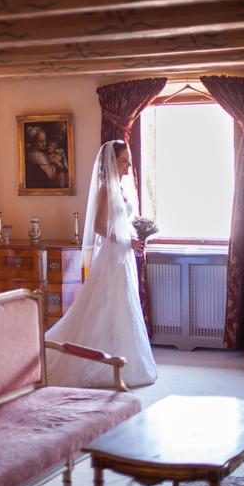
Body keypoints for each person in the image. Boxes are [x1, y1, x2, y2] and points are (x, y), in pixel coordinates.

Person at [45, 140, 157, 388]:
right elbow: (98, 226)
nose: (128, 166)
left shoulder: (121, 189)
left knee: (123, 304)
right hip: (111, 256)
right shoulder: (106, 190)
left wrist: (137, 236)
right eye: (124, 161)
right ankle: (96, 358)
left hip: (123, 255)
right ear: (112, 162)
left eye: (128, 161)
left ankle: (125, 358)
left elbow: (121, 222)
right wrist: (127, 242)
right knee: (106, 303)